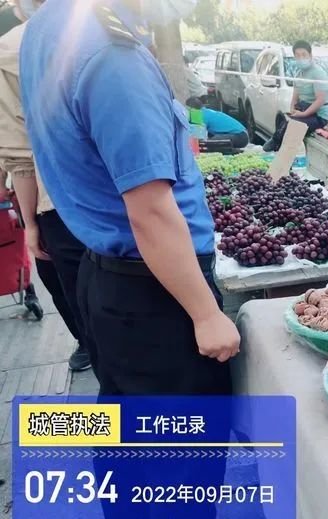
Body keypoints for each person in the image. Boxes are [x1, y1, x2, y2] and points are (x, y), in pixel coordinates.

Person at [20, 0, 239, 398]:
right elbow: (150, 211)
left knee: (131, 426)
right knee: (181, 434)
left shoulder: (47, 25)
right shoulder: (112, 56)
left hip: (111, 278)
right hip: (156, 295)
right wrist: (206, 314)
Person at [0, 2, 90, 369]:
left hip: (58, 203)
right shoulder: (106, 25)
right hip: (125, 196)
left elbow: (20, 156)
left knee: (76, 294)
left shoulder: (10, 50)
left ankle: (90, 347)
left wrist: (31, 224)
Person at [263, 40, 328, 152]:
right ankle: (277, 149)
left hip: (318, 117)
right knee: (285, 121)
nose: (301, 58)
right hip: (303, 112)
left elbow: (321, 100)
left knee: (294, 127)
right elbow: (295, 97)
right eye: (298, 56)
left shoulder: (318, 73)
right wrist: (293, 110)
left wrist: (303, 114)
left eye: (304, 55)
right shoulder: (298, 74)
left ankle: (277, 146)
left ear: (310, 55)